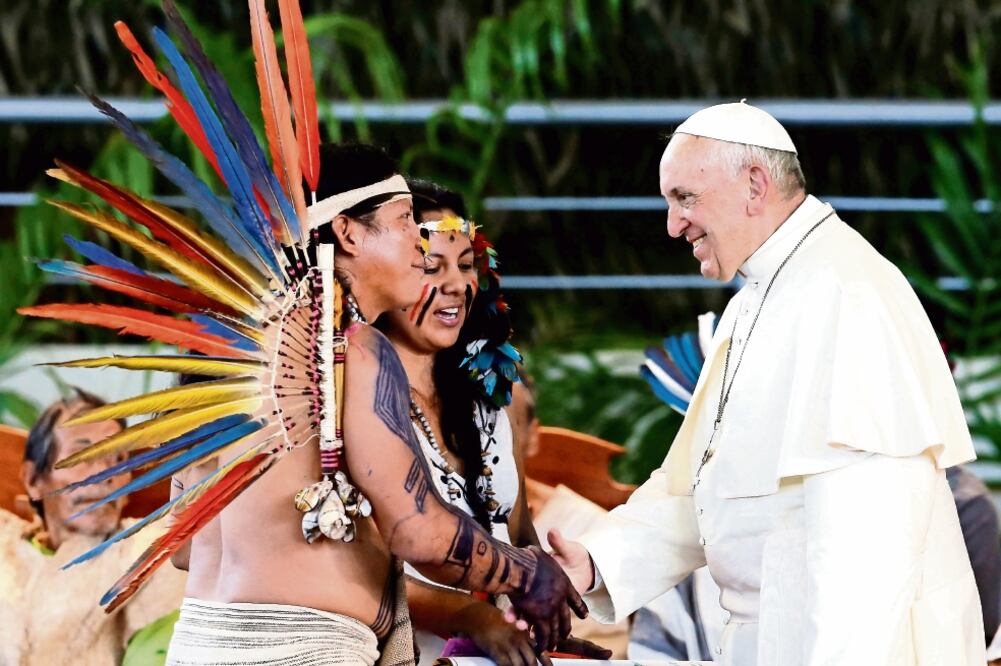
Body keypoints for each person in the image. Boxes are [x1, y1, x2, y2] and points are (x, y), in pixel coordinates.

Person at [548, 101, 985, 665]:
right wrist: (595, 562)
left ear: (755, 184)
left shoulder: (847, 295)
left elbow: (867, 557)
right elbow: (704, 494)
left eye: (685, 198)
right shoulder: (754, 301)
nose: (673, 224)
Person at [165, 144, 584, 665]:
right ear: (347, 232)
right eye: (405, 219)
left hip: (198, 644)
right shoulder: (353, 347)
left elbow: (184, 543)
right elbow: (419, 532)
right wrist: (527, 573)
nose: (417, 243)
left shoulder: (224, 345)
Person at [379, 180, 609, 666]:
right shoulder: (356, 403)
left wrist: (541, 629)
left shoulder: (488, 401)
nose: (456, 285)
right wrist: (472, 618)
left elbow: (516, 533)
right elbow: (357, 569)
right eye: (430, 266)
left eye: (465, 265)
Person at [0, 389, 185, 665]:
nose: (106, 474)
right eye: (84, 454)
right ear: (33, 479)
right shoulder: (6, 542)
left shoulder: (151, 553)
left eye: (118, 459)